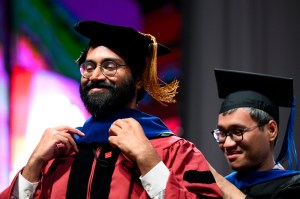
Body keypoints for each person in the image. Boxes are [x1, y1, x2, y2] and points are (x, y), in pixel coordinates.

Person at [0, 21, 222, 199]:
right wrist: (33, 165)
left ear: (137, 79)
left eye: (109, 66)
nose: (95, 76)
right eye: (89, 67)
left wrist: (149, 162)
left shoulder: (173, 151)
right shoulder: (61, 153)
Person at [210, 68, 300, 198]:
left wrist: (221, 185)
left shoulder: (292, 187)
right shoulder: (217, 188)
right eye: (222, 133)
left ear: (271, 130)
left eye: (237, 131)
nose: (227, 144)